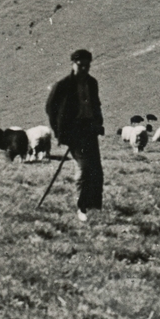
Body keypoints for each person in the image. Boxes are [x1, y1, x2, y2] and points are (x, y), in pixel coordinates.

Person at [45, 48, 105, 221]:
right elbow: (51, 108)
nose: (85, 69)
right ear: (73, 64)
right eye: (81, 65)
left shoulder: (92, 83)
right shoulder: (63, 85)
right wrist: (60, 132)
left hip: (90, 130)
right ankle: (82, 208)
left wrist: (98, 121)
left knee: (97, 171)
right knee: (85, 169)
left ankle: (95, 207)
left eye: (88, 66)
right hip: (74, 133)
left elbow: (96, 104)